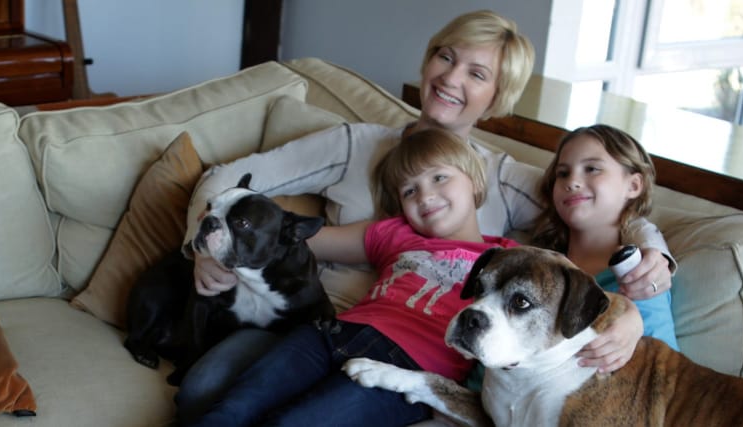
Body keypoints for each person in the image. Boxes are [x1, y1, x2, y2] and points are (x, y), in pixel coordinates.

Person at [174, 10, 675, 423]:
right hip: (318, 322)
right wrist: (208, 251)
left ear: (497, 97)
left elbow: (590, 205)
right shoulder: (358, 144)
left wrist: (645, 274)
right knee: (202, 393)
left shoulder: (502, 180)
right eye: (445, 57)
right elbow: (233, 184)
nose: (451, 78)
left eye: (476, 74)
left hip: (412, 351)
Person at [192, 129, 517, 426]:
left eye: (440, 177)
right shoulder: (395, 233)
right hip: (330, 335)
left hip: (406, 371)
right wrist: (208, 254)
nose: (425, 195)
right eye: (409, 190)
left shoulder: (511, 260)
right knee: (231, 412)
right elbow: (285, 242)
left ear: (474, 180)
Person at [532, 124, 678, 349]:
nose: (572, 181)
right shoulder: (540, 264)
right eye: (563, 173)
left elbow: (661, 367)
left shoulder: (642, 277)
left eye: (592, 169)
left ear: (633, 185)